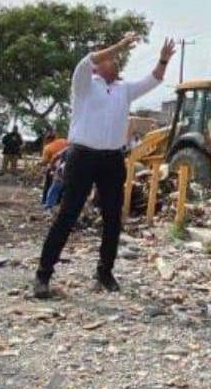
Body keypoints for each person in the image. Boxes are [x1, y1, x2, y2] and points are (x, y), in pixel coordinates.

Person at [34, 34, 175, 298]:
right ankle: (43, 274)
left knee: (112, 218)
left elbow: (153, 79)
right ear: (97, 66)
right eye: (109, 58)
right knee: (68, 214)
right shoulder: (85, 84)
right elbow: (87, 61)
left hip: (111, 159)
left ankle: (105, 271)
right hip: (82, 157)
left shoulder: (124, 89)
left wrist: (163, 60)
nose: (115, 60)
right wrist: (119, 45)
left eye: (116, 57)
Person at [39, 130, 69, 205]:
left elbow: (45, 161)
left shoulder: (48, 147)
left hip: (56, 168)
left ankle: (45, 202)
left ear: (47, 139)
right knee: (62, 187)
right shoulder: (64, 141)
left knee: (49, 185)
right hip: (67, 167)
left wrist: (40, 163)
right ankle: (58, 202)